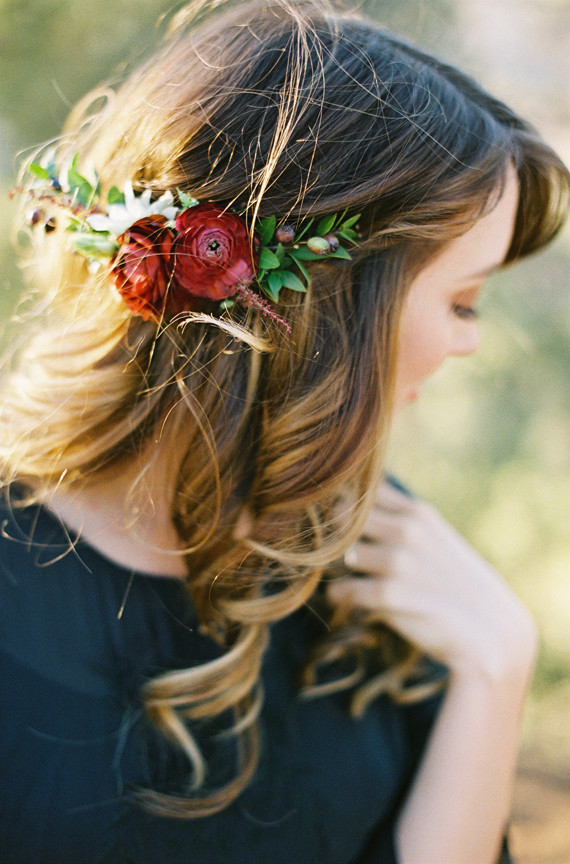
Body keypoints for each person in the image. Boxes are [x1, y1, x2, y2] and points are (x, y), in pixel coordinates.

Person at [0, 1, 568, 862]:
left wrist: (496, 666)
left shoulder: (386, 566)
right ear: (325, 313)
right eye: (461, 300)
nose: (470, 341)